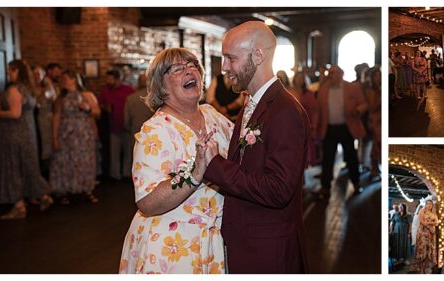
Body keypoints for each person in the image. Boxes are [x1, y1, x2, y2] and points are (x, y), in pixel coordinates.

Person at [198, 21, 310, 273]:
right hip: (246, 241)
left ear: (258, 55)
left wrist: (216, 165)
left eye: (231, 58)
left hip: (267, 250)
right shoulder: (252, 104)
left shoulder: (284, 111)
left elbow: (278, 189)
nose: (224, 67)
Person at [119, 48, 232, 274]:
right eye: (179, 69)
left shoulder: (212, 114)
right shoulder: (155, 130)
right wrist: (195, 173)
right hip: (170, 248)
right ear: (161, 85)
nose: (189, 71)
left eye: (193, 66)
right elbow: (147, 202)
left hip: (212, 241)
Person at [0, 59, 54, 219]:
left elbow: (15, 113)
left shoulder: (15, 89)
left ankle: (18, 205)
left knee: (12, 168)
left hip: (13, 134)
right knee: (29, 165)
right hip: (27, 133)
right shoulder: (28, 89)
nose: (8, 73)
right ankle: (44, 196)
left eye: (11, 70)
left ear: (18, 71)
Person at [50, 70, 101, 205]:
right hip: (66, 133)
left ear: (74, 80)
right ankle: (65, 191)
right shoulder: (60, 98)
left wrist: (87, 109)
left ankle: (87, 189)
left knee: (84, 160)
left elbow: (97, 112)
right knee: (66, 161)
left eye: (66, 79)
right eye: (62, 80)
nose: (63, 82)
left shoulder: (86, 95)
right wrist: (54, 137)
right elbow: (56, 117)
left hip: (83, 133)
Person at [316, 65, 368, 190]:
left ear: (342, 74)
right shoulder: (323, 89)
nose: (334, 76)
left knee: (351, 156)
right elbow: (318, 109)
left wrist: (357, 111)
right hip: (329, 128)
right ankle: (325, 186)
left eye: (337, 73)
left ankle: (356, 183)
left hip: (346, 127)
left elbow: (364, 104)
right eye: (332, 73)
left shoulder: (352, 87)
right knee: (327, 158)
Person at [100, 69, 137, 180]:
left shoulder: (128, 90)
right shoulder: (105, 90)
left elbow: (135, 104)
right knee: (114, 153)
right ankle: (115, 175)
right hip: (113, 127)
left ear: (117, 79)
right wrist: (105, 107)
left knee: (128, 153)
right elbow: (100, 104)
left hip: (127, 127)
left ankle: (126, 174)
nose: (107, 81)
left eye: (109, 79)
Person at [363, 66, 382, 180]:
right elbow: (372, 107)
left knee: (378, 145)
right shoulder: (371, 91)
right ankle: (374, 168)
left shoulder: (380, 89)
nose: (378, 77)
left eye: (380, 75)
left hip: (380, 119)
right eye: (376, 76)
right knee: (377, 145)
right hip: (375, 119)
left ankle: (375, 169)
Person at [414, 200, 440, 274]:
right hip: (423, 233)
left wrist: (430, 223)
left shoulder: (433, 212)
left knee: (428, 251)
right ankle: (422, 270)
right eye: (428, 204)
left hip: (431, 234)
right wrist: (430, 225)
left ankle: (426, 268)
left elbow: (437, 222)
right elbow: (422, 222)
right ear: (425, 204)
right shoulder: (422, 211)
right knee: (422, 250)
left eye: (430, 204)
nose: (429, 205)